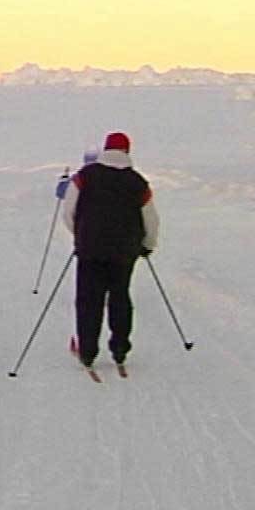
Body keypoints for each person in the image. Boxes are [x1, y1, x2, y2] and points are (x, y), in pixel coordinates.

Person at [59, 131, 159, 371]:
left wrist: (79, 235)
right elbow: (151, 219)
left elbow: (68, 211)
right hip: (125, 251)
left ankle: (87, 351)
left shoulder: (85, 177)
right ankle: (120, 349)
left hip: (90, 248)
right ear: (127, 151)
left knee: (88, 299)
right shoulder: (138, 182)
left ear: (105, 149)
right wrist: (147, 245)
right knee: (120, 296)